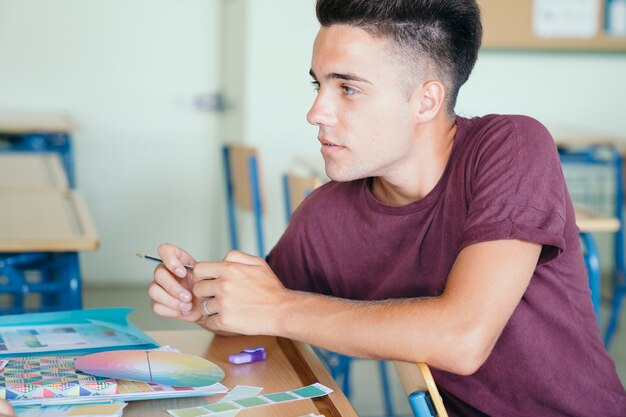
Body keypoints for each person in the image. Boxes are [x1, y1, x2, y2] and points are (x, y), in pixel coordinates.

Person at [148, 0, 626, 415]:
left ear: (425, 100)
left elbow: (461, 338)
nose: (316, 112)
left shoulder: (512, 146)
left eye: (348, 88)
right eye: (317, 85)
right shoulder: (326, 215)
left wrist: (274, 307)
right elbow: (261, 313)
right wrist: (208, 300)